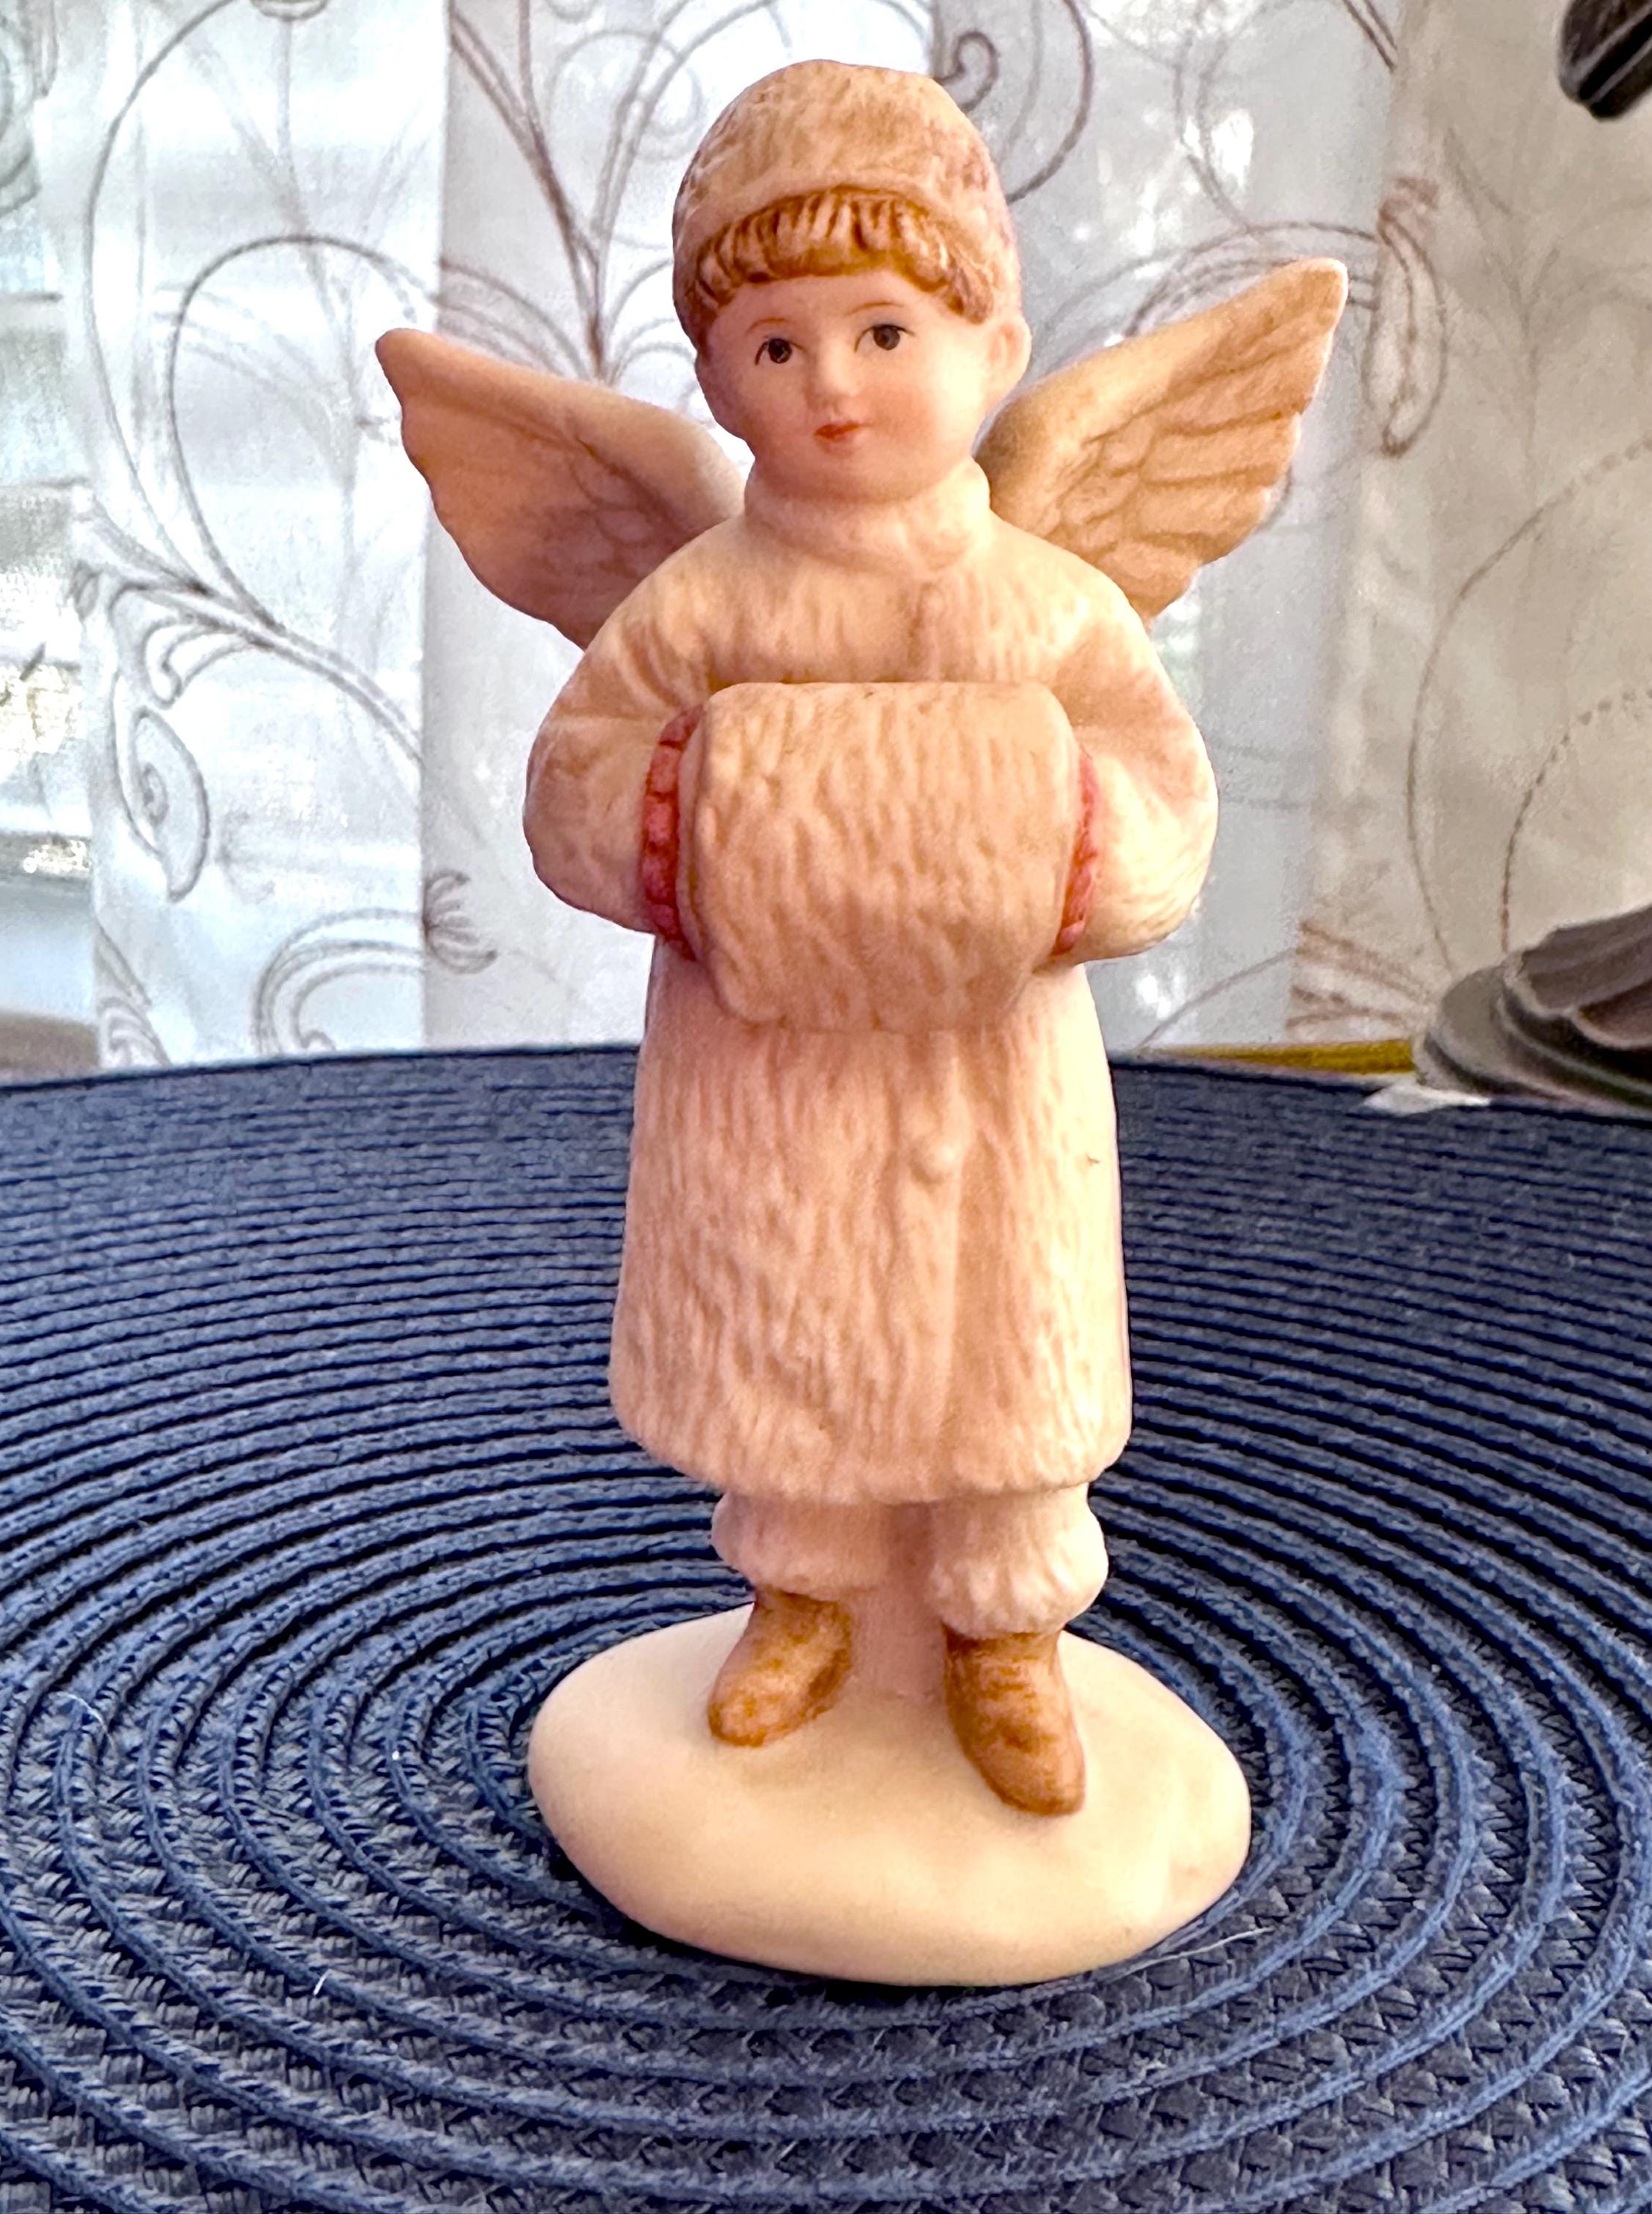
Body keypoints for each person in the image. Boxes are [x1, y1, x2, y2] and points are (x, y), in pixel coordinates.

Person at [524, 61, 1217, 1817]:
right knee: (797, 1338)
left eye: (885, 332)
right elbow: (578, 777)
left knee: (1002, 1368)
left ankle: (1008, 1634)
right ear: (715, 378)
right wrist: (696, 820)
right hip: (773, 1081)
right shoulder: (703, 604)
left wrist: (1065, 837)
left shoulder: (1047, 607)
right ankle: (804, 1603)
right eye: (777, 345)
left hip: (994, 1096)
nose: (832, 385)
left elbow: (1162, 794)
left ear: (994, 347)